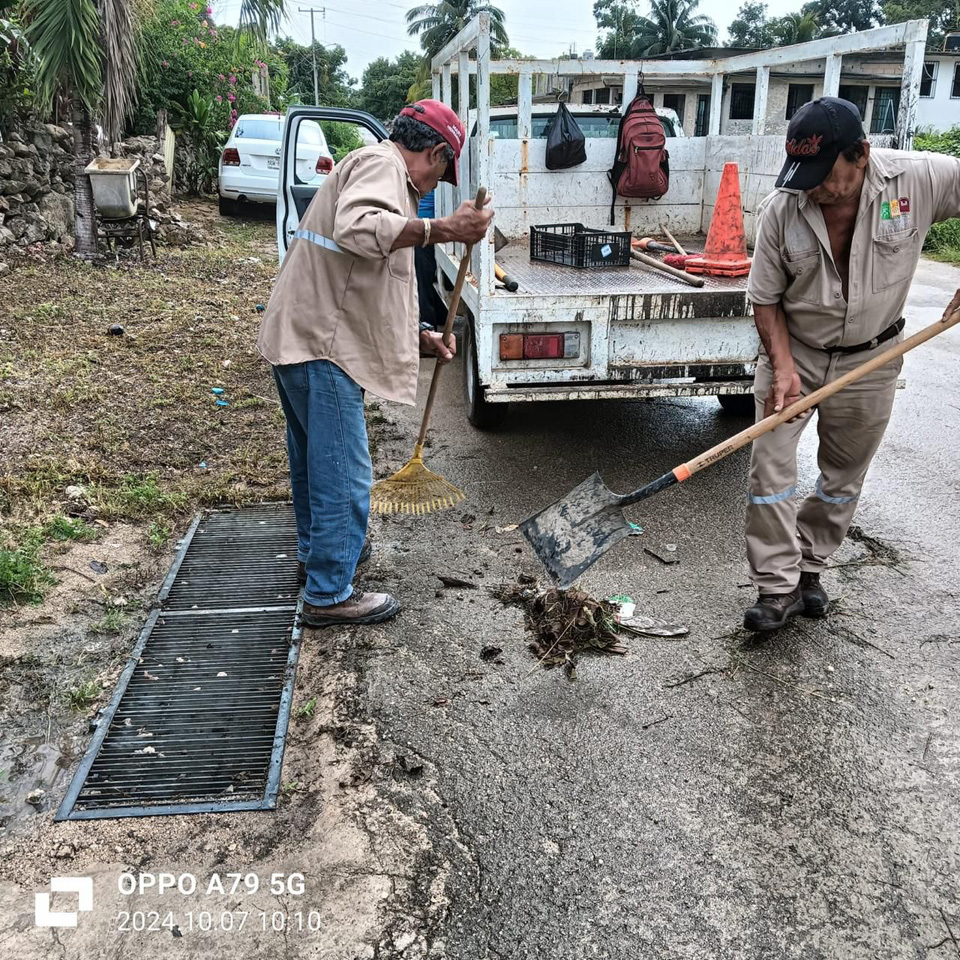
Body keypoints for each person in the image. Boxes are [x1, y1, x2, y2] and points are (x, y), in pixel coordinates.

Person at [257, 100, 494, 628]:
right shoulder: (382, 165)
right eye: (440, 169)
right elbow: (358, 230)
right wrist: (441, 230)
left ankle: (319, 559)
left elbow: (362, 282)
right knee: (344, 474)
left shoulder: (373, 169)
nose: (435, 184)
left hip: (305, 336)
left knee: (316, 464)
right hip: (322, 346)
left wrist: (420, 337)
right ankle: (328, 593)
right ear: (433, 152)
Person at [743, 96, 960, 632]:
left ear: (860, 154)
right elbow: (764, 300)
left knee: (843, 474)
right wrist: (784, 366)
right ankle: (777, 586)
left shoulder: (919, 178)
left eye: (822, 174)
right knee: (770, 470)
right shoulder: (783, 208)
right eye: (801, 175)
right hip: (795, 352)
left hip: (874, 356)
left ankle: (809, 567)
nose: (809, 188)